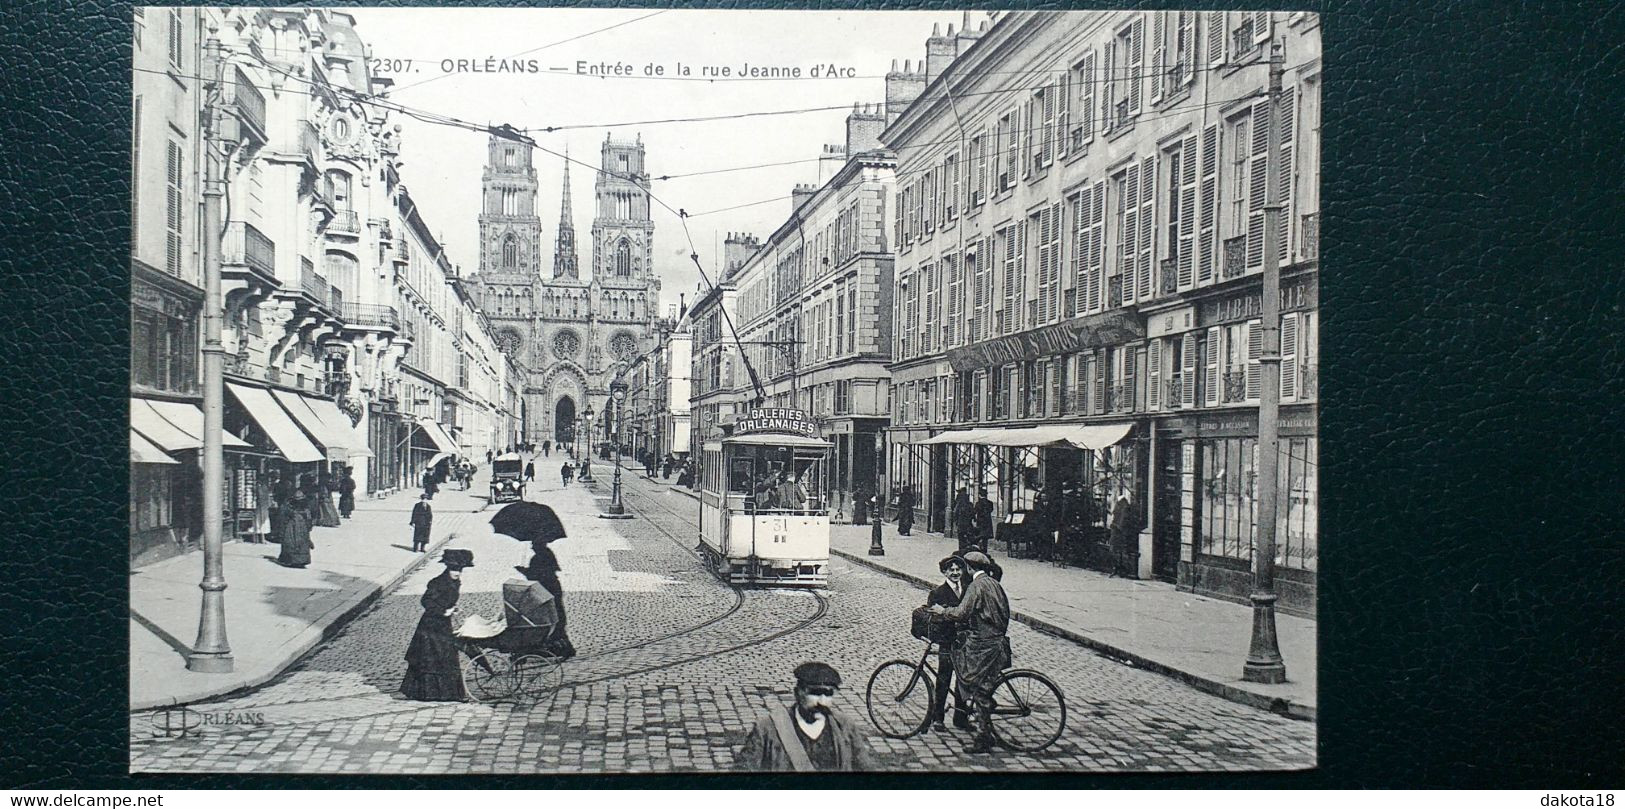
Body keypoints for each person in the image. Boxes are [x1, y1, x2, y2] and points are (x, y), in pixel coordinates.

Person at [929, 551, 1011, 754]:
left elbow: (961, 612)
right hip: (997, 641)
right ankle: (965, 714)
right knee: (976, 681)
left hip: (983, 645)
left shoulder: (975, 586)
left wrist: (942, 612)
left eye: (963, 567)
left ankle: (984, 737)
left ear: (969, 568)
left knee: (978, 687)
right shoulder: (993, 583)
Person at [734, 662, 877, 771]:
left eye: (828, 694)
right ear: (797, 693)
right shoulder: (768, 729)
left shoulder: (845, 726)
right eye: (815, 693)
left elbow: (866, 769)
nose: (822, 702)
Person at [401, 549, 474, 702]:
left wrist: (453, 608)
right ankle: (426, 693)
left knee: (447, 656)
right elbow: (426, 601)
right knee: (431, 658)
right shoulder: (437, 582)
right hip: (430, 627)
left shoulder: (454, 581)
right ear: (447, 568)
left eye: (460, 570)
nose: (457, 573)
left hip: (443, 625)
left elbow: (446, 599)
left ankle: (450, 693)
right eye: (454, 569)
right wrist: (443, 611)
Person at [924, 555, 971, 732]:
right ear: (944, 572)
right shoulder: (938, 593)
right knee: (943, 679)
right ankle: (938, 718)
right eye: (951, 570)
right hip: (947, 641)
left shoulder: (967, 590)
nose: (955, 573)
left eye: (958, 569)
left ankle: (960, 717)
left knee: (962, 680)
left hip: (963, 642)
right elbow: (933, 616)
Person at [516, 539, 576, 658]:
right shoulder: (547, 553)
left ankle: (558, 647)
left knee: (551, 618)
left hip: (547, 590)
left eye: (533, 544)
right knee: (556, 617)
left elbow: (536, 575)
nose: (531, 547)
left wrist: (523, 571)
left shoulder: (538, 557)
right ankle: (562, 646)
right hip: (552, 588)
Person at [276, 487, 314, 568]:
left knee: (292, 542)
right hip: (299, 527)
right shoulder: (304, 508)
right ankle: (299, 560)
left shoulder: (289, 506)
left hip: (293, 527)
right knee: (298, 542)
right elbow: (309, 519)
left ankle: (292, 560)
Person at [1110, 488, 1142, 578]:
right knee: (1116, 550)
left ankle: (1120, 569)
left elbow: (1122, 520)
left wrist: (1117, 527)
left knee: (1118, 550)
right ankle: (1118, 568)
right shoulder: (1121, 504)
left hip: (1119, 532)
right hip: (1117, 530)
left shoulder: (1124, 505)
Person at [249, 472, 273, 543]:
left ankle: (262, 538)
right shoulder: (258, 486)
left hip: (264, 505)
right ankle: (261, 538)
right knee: (260, 521)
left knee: (262, 521)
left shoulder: (263, 486)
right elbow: (260, 495)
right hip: (260, 506)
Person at [973, 487, 996, 553]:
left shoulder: (978, 503)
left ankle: (979, 549)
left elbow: (975, 511)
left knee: (979, 536)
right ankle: (985, 550)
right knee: (985, 537)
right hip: (988, 522)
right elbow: (991, 510)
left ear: (980, 495)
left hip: (980, 521)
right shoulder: (990, 503)